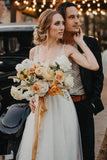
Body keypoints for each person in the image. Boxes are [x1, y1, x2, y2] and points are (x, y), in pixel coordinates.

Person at [17, 9, 99, 160]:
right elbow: (32, 81)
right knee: (40, 147)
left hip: (61, 107)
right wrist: (31, 98)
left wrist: (80, 42)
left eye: (62, 23)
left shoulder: (67, 49)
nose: (62, 27)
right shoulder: (34, 52)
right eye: (57, 23)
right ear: (47, 27)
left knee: (61, 148)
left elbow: (94, 65)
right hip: (39, 108)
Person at [56, 2, 104, 160]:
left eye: (77, 16)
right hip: (60, 108)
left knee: (87, 152)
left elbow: (98, 75)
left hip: (84, 105)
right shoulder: (55, 45)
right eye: (71, 17)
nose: (77, 20)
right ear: (62, 20)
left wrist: (92, 101)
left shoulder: (90, 43)